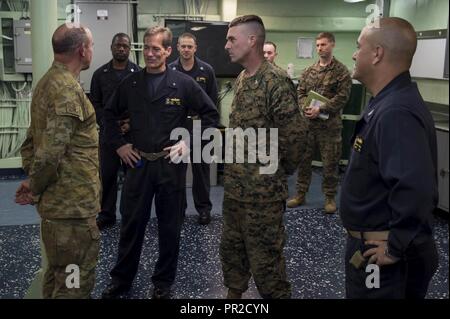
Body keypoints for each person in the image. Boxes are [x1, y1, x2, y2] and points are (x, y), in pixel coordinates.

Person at [101, 26, 219, 299]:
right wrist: (119, 145)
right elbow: (108, 116)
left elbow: (211, 115)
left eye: (157, 49)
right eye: (147, 48)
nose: (151, 54)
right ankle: (121, 280)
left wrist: (188, 141)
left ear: (168, 51)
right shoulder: (130, 84)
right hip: (138, 166)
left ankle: (163, 283)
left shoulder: (183, 84)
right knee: (131, 225)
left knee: (169, 228)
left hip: (169, 167)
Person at [340, 17, 439, 299]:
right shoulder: (387, 102)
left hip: (383, 257)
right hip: (371, 246)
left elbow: (416, 189)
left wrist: (395, 246)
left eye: (359, 46)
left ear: (377, 53)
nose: (354, 54)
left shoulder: (396, 112)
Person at [220, 15, 303, 299]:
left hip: (262, 196)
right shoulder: (242, 78)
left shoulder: (275, 81)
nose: (226, 45)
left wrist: (276, 172)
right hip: (235, 192)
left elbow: (294, 139)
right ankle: (234, 295)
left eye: (232, 39)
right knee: (232, 252)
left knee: (267, 265)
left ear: (252, 40)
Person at [15, 23, 100, 298]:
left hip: (58, 205)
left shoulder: (46, 83)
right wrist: (35, 186)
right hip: (71, 209)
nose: (92, 50)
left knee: (57, 275)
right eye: (92, 45)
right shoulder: (66, 89)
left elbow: (30, 142)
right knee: (74, 282)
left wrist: (34, 181)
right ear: (82, 50)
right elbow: (52, 151)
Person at [287, 32, 352, 213]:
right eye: (317, 45)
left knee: (330, 163)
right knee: (304, 162)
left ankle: (330, 197)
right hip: (308, 125)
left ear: (332, 45)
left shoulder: (341, 71)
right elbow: (300, 93)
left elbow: (343, 97)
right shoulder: (309, 71)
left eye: (323, 45)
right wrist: (305, 107)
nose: (320, 48)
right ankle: (300, 194)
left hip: (329, 127)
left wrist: (321, 108)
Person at [90, 33, 140, 230]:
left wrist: (131, 123)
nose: (121, 49)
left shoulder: (138, 73)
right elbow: (95, 103)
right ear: (111, 47)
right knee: (108, 176)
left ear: (129, 49)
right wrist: (110, 124)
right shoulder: (99, 74)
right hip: (108, 136)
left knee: (133, 177)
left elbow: (142, 104)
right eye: (118, 45)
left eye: (125, 46)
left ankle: (130, 214)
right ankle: (106, 215)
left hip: (132, 135)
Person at [168, 32, 218, 225]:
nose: (186, 50)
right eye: (183, 46)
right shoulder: (170, 69)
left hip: (201, 127)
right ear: (178, 47)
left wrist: (208, 128)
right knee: (176, 172)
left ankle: (204, 210)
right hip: (177, 129)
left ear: (195, 48)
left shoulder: (207, 70)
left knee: (201, 172)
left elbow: (212, 103)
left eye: (190, 46)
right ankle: (178, 210)